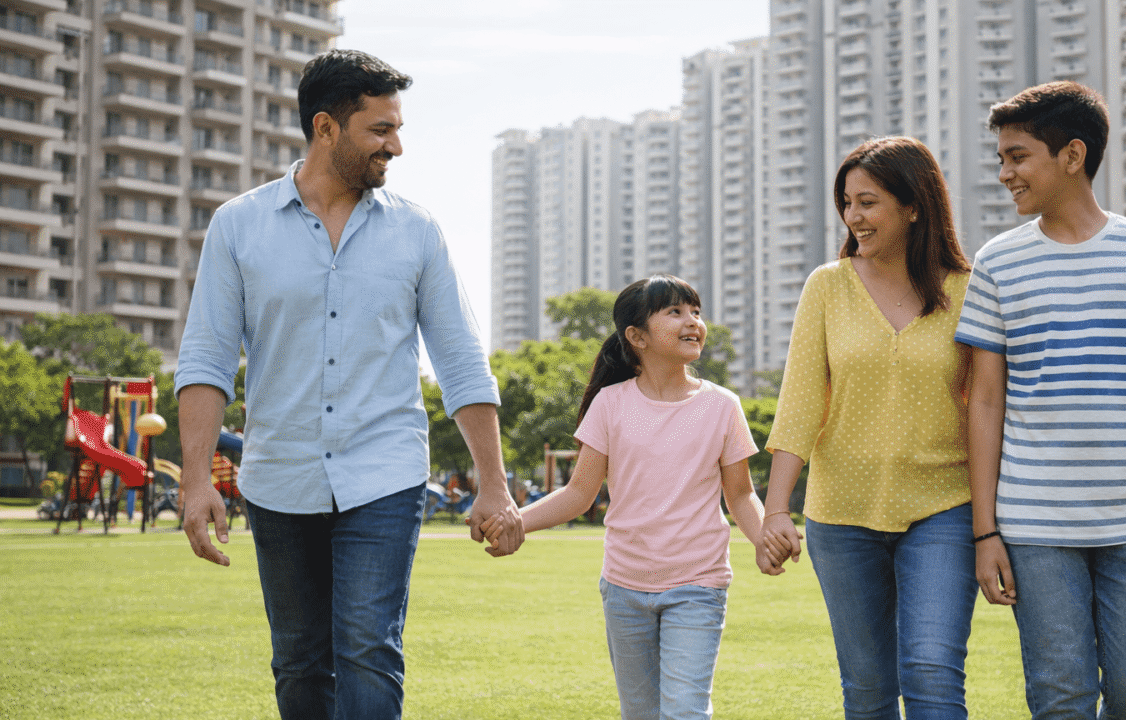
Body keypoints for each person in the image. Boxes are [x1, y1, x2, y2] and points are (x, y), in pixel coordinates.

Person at [174, 49, 524, 720]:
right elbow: (207, 362)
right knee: (300, 660)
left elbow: (459, 361)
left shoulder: (417, 231)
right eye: (380, 130)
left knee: (368, 648)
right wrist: (195, 480)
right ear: (326, 128)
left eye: (397, 128)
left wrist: (494, 482)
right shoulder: (237, 226)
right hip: (279, 476)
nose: (396, 145)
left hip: (384, 474)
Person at [956, 81, 1126, 719]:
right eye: (1001, 159)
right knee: (1061, 696)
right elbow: (983, 402)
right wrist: (985, 529)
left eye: (1017, 157)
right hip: (1036, 524)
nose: (1004, 173)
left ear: (1072, 156)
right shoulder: (996, 263)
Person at [484, 274, 773, 720]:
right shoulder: (610, 404)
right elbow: (579, 493)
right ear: (636, 336)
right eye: (675, 312)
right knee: (639, 712)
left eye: (695, 311)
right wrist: (516, 521)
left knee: (685, 711)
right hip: (625, 587)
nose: (692, 321)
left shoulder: (723, 406)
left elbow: (740, 495)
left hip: (698, 584)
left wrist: (763, 538)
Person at [760, 136, 977, 718]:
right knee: (868, 689)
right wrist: (775, 509)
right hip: (841, 516)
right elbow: (801, 401)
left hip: (945, 507)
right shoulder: (827, 286)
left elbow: (984, 407)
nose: (853, 217)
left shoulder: (967, 289)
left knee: (932, 672)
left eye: (868, 202)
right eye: (847, 203)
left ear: (913, 206)